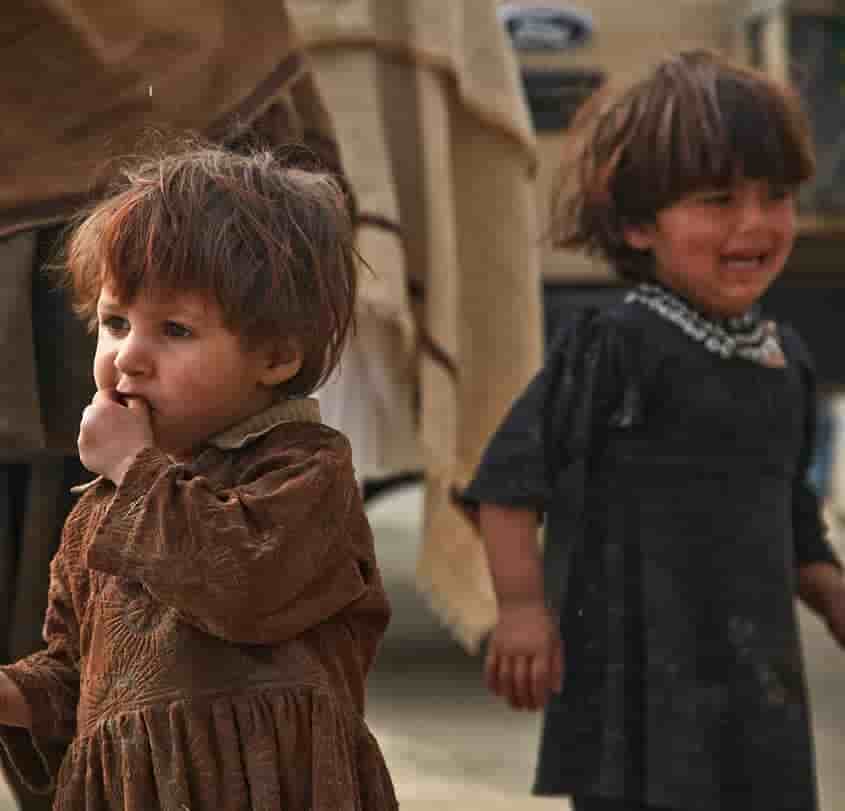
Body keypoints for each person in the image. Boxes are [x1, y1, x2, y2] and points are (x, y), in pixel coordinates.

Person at [461, 50, 845, 811]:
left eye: (774, 196)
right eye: (717, 200)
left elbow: (791, 514)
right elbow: (508, 485)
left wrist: (831, 592)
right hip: (635, 697)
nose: (754, 223)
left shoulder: (783, 360)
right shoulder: (614, 346)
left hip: (754, 690)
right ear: (637, 223)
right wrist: (522, 611)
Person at [1, 6, 348, 808]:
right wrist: (15, 693)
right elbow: (76, 675)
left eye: (175, 331)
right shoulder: (101, 505)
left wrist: (134, 469)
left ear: (276, 356)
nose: (129, 355)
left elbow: (245, 588)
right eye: (115, 324)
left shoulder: (301, 474)